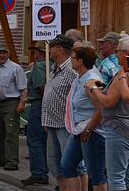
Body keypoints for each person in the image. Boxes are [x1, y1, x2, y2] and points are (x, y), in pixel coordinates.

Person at [42, 34, 88, 191]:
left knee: (72, 163)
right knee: (54, 164)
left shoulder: (72, 69)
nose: (49, 51)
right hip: (53, 122)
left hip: (66, 124)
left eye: (52, 48)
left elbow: (81, 95)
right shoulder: (55, 67)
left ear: (60, 49)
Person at [86, 34, 129, 191]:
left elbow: (108, 102)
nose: (116, 54)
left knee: (116, 177)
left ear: (125, 53)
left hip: (118, 127)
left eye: (118, 51)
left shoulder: (122, 75)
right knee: (126, 175)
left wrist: (93, 88)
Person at [60, 46, 106, 191]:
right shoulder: (80, 77)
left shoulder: (92, 81)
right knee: (67, 165)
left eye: (72, 58)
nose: (70, 61)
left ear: (80, 61)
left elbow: (102, 108)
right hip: (78, 129)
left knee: (96, 174)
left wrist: (89, 129)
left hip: (92, 132)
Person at [0, 45, 27, 171]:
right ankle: (0, 158)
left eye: (4, 53)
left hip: (11, 102)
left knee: (11, 132)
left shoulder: (16, 68)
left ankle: (12, 161)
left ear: (8, 53)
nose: (2, 55)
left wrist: (22, 103)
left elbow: (23, 88)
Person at [22, 42, 49, 185]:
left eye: (36, 52)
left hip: (38, 104)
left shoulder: (39, 66)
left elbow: (40, 87)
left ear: (40, 53)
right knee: (44, 140)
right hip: (47, 105)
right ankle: (44, 169)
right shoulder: (53, 65)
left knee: (34, 139)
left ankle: (38, 172)